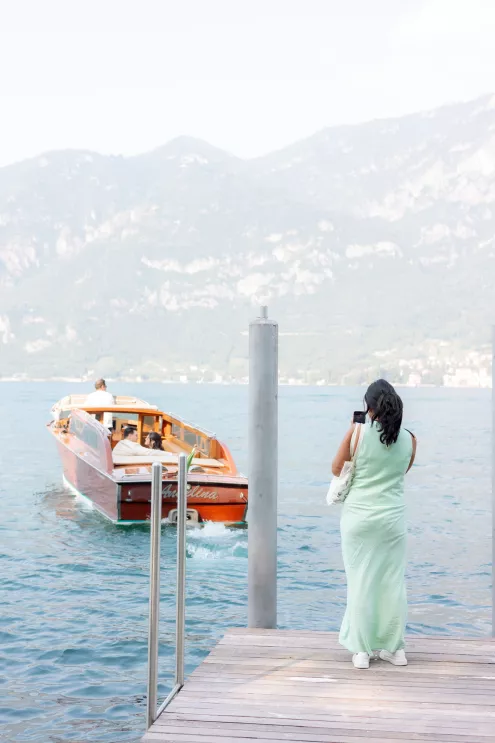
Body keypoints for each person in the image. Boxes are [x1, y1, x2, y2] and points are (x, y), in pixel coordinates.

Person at [332, 379, 417, 670]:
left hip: (359, 518)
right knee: (392, 583)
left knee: (360, 582)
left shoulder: (358, 432)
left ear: (369, 407)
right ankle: (396, 650)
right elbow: (400, 471)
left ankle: (361, 652)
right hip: (392, 520)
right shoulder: (410, 439)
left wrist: (354, 432)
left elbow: (337, 468)